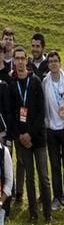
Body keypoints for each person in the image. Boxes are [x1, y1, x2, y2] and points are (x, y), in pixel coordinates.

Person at [9, 46, 51, 222]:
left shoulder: (35, 82)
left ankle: (48, 214)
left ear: (26, 60)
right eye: (16, 58)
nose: (19, 62)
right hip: (21, 140)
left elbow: (42, 112)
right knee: (29, 178)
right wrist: (20, 136)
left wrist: (30, 135)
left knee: (43, 176)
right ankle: (33, 213)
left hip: (38, 138)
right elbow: (11, 114)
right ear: (13, 61)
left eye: (22, 58)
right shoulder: (12, 86)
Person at [44, 51, 64, 210]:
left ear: (60, 62)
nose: (53, 64)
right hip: (51, 129)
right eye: (50, 61)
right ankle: (57, 197)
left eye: (55, 61)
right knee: (55, 164)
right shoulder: (45, 82)